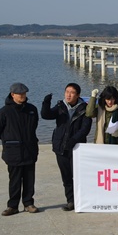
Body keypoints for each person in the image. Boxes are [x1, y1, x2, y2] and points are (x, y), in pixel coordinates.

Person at [41, 83, 92, 211]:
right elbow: (46, 115)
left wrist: (74, 140)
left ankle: (81, 200)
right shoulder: (60, 106)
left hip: (77, 148)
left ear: (78, 95)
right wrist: (46, 103)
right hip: (60, 147)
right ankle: (71, 201)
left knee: (79, 175)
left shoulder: (84, 108)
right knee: (66, 176)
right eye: (67, 91)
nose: (69, 94)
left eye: (72, 92)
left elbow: (85, 128)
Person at [0, 83, 40, 216]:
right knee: (15, 180)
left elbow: (34, 125)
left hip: (29, 149)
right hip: (13, 152)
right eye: (20, 94)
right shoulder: (4, 112)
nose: (23, 96)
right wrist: (8, 140)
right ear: (13, 95)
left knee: (29, 179)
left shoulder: (32, 109)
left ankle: (28, 203)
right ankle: (12, 206)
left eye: (24, 93)